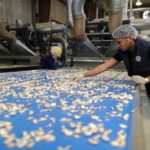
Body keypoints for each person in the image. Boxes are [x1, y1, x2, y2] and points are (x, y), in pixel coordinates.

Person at [73, 24, 150, 97]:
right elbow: (105, 66)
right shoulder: (123, 51)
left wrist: (146, 79)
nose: (117, 45)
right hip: (138, 85)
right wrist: (84, 75)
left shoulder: (147, 47)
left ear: (129, 38)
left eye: (119, 42)